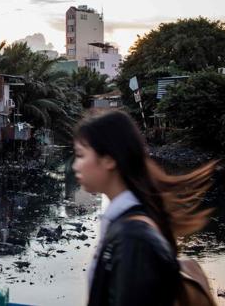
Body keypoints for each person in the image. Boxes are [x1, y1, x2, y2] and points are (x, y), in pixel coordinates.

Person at [72, 109, 217, 306]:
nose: (75, 166)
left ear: (109, 159)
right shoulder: (128, 223)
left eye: (80, 155)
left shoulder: (132, 239)